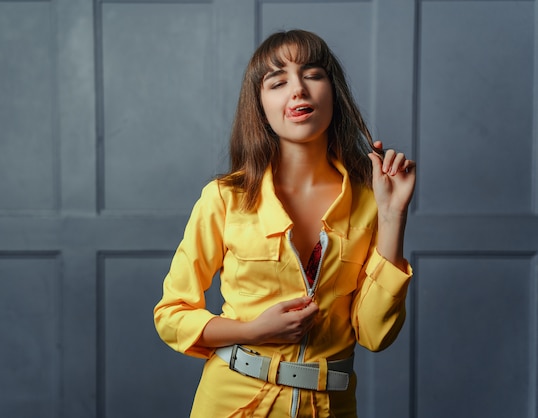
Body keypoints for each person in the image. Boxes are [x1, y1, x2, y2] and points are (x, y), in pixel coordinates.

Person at [153, 29, 416, 418]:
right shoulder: (226, 198)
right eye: (277, 81)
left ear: (334, 91)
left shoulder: (371, 199)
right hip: (230, 402)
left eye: (313, 74)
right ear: (259, 105)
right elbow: (171, 315)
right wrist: (251, 331)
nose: (298, 89)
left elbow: (376, 336)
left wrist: (393, 218)